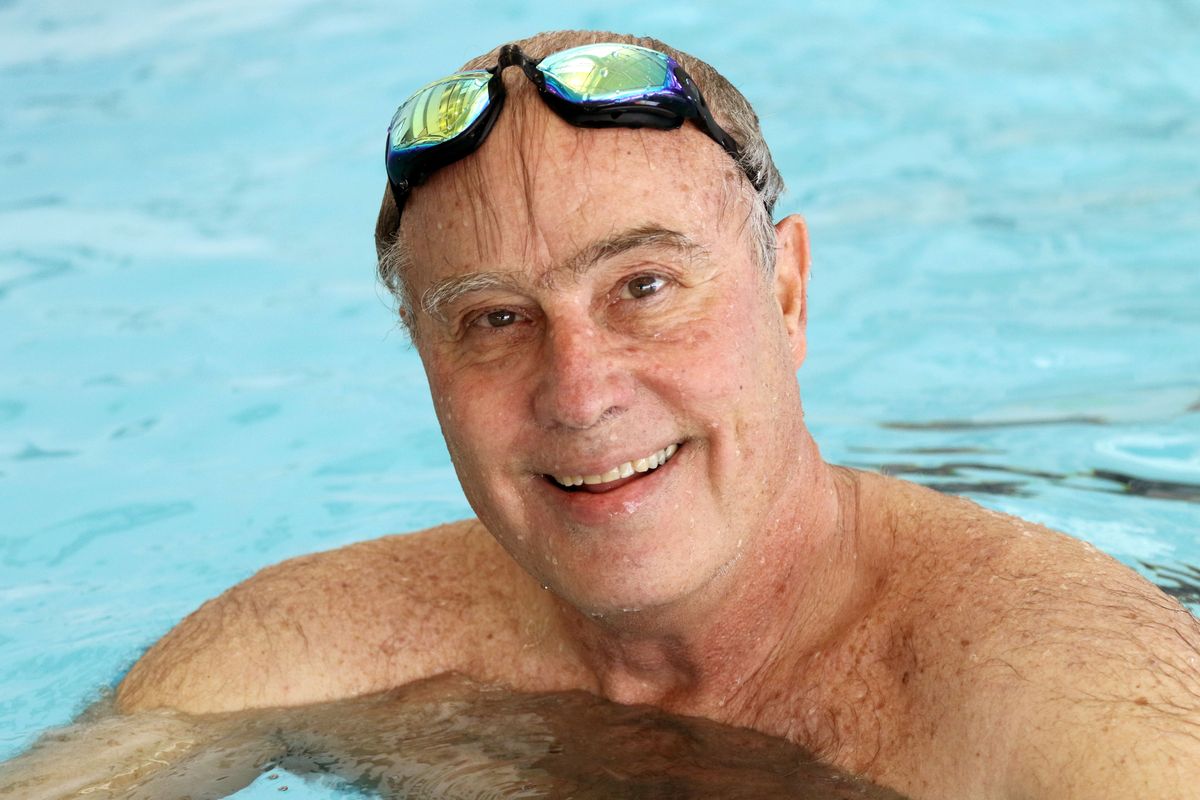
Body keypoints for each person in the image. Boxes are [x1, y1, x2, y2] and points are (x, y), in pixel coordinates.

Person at [92, 28, 1200, 798]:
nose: (580, 393)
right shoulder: (314, 649)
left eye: (645, 288)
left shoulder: (1076, 705)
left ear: (787, 294)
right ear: (425, 362)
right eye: (493, 319)